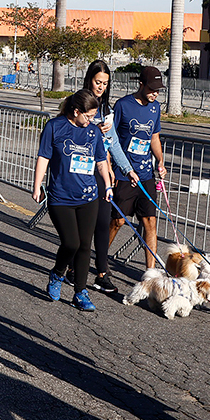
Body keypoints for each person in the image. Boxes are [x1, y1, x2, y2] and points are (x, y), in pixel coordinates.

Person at [32, 89, 113, 312]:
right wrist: (37, 185)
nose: (91, 121)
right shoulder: (55, 126)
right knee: (71, 243)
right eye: (88, 116)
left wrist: (107, 185)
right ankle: (58, 273)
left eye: (94, 116)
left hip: (88, 196)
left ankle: (80, 292)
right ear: (76, 111)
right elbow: (44, 156)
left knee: (85, 245)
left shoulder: (93, 132)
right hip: (61, 197)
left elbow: (101, 161)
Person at [83, 60, 136, 296]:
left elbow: (113, 144)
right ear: (89, 80)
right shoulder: (78, 102)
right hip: (79, 172)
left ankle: (102, 273)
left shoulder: (106, 109)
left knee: (103, 222)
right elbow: (67, 132)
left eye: (105, 83)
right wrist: (93, 129)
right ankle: (72, 267)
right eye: (98, 82)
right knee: (83, 227)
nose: (101, 87)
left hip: (101, 172)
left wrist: (128, 169)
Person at [108, 65, 168, 272]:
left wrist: (160, 160)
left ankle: (150, 272)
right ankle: (100, 257)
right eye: (151, 89)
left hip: (145, 174)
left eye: (158, 90)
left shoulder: (155, 108)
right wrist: (110, 169)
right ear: (141, 84)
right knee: (118, 221)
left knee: (150, 221)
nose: (155, 94)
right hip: (124, 173)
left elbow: (154, 137)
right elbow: (110, 138)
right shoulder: (123, 105)